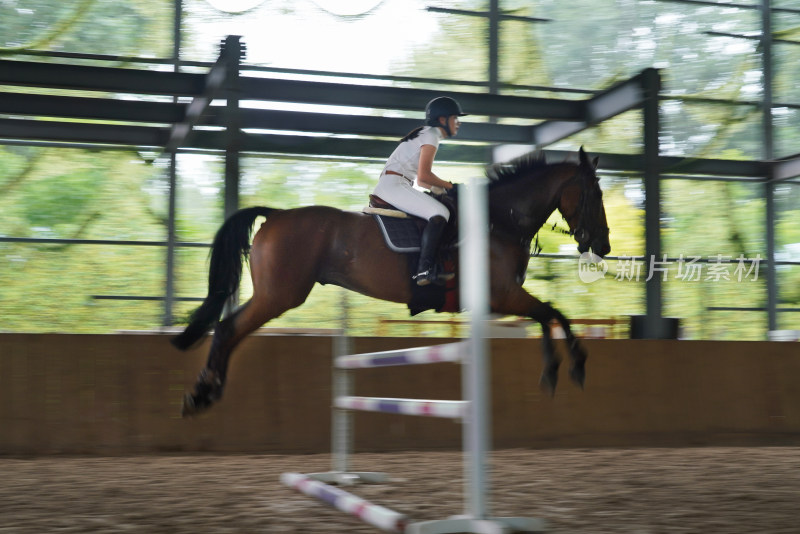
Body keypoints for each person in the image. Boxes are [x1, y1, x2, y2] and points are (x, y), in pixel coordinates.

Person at [373, 96, 467, 286]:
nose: (458, 122)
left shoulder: (427, 133)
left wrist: (441, 189)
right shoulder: (431, 135)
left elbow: (424, 183)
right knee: (441, 212)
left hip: (398, 183)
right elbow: (424, 177)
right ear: (442, 120)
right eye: (455, 118)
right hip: (394, 185)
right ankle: (424, 270)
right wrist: (452, 186)